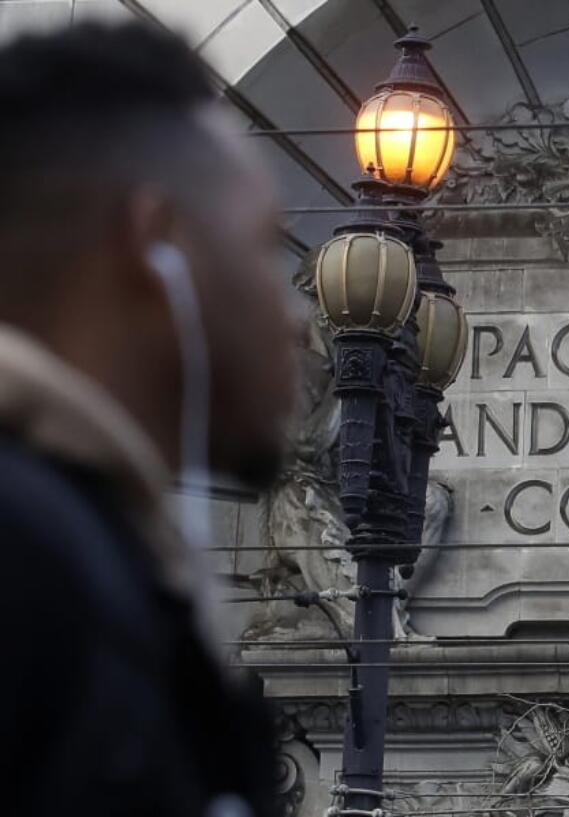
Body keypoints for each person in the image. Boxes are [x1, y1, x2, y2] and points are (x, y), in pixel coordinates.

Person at [0, 22, 300, 817]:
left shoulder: (94, 563)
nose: (298, 315)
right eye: (264, 246)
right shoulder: (29, 564)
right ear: (155, 244)